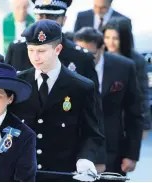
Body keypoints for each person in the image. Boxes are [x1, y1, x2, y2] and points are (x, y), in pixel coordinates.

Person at [9, 19, 104, 181]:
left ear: (58, 49)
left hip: (61, 174)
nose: (35, 57)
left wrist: (85, 159)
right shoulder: (18, 83)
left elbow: (92, 133)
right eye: (30, 50)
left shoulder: (81, 87)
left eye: (42, 51)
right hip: (22, 173)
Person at [74, 27, 143, 176]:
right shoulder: (70, 66)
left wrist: (131, 154)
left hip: (113, 148)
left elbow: (134, 112)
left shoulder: (124, 67)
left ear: (101, 48)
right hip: (77, 149)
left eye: (90, 54)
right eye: (80, 53)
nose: (85, 58)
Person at [103, 17, 151, 132]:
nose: (110, 42)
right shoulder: (100, 56)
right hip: (104, 119)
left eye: (116, 38)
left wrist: (145, 125)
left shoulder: (137, 60)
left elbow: (143, 94)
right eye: (107, 37)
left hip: (128, 120)